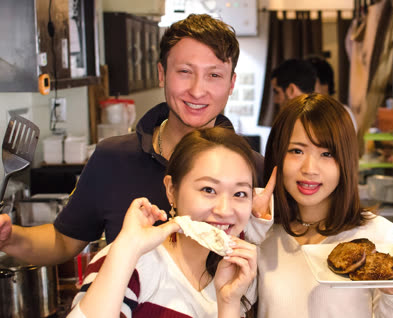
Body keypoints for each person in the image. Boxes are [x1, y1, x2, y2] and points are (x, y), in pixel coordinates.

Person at [0, 14, 270, 266]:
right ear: (162, 73)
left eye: (214, 75)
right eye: (185, 72)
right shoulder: (113, 158)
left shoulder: (253, 172)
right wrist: (10, 238)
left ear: (231, 83)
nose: (198, 90)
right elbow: (63, 240)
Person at [256, 93, 393, 317]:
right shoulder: (260, 236)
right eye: (297, 151)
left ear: (346, 161)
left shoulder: (378, 235)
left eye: (327, 153)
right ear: (277, 155)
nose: (310, 168)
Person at [68, 127, 260, 318]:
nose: (225, 210)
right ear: (171, 190)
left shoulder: (236, 277)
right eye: (208, 190)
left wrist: (229, 303)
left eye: (240, 193)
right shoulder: (131, 261)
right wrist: (127, 249)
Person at [306, 55, 358, 132]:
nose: (305, 89)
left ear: (325, 84)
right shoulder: (304, 112)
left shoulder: (342, 114)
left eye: (309, 82)